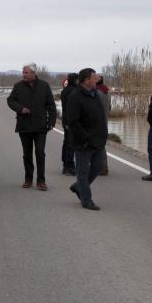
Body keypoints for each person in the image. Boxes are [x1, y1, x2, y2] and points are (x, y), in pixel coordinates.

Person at [7, 63, 57, 190]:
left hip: (41, 126)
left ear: (34, 73)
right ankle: (28, 179)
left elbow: (51, 106)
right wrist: (20, 109)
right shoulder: (18, 86)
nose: (24, 74)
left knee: (40, 153)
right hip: (24, 125)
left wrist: (51, 122)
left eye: (26, 72)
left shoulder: (44, 86)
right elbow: (10, 100)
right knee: (27, 154)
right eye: (23, 72)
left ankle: (41, 181)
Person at [65, 68, 107, 211]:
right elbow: (72, 122)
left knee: (98, 166)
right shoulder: (75, 96)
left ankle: (78, 187)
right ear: (86, 80)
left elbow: (101, 117)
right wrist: (85, 137)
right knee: (83, 171)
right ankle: (86, 200)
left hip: (98, 140)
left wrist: (103, 134)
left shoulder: (95, 95)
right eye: (94, 78)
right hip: (83, 142)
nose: (97, 80)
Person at [60, 73, 79, 176]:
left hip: (65, 120)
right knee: (71, 144)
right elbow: (72, 109)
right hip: (71, 121)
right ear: (75, 80)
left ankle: (65, 164)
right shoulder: (74, 91)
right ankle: (69, 166)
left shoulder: (64, 91)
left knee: (66, 142)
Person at [95, 75, 112, 176]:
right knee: (101, 145)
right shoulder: (107, 93)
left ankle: (102, 167)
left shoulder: (96, 93)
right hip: (105, 122)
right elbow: (109, 108)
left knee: (97, 146)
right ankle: (102, 167)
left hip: (97, 122)